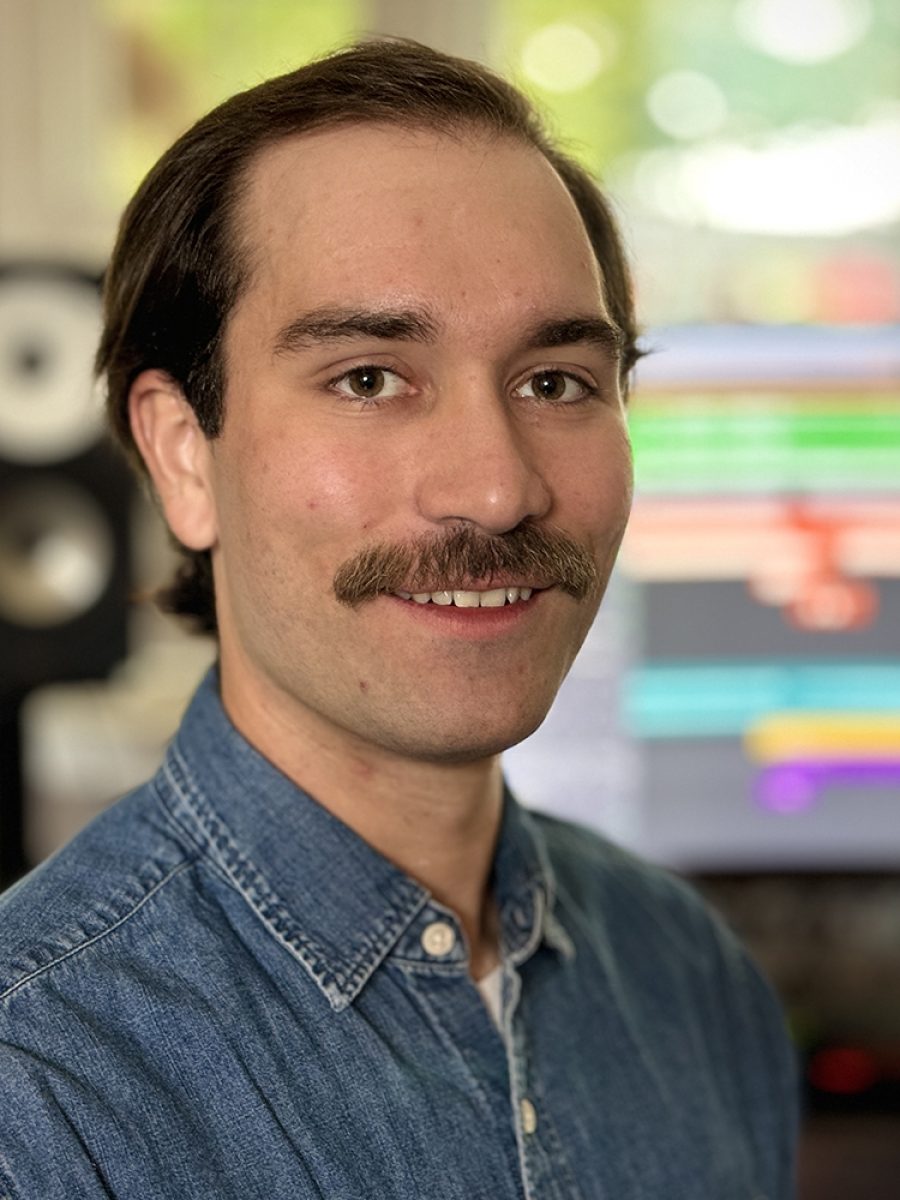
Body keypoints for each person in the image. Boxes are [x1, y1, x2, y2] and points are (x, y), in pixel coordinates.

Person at [0, 39, 796, 1199]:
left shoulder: (692, 977)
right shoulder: (36, 1087)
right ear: (183, 455)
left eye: (555, 383)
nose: (497, 488)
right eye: (369, 378)